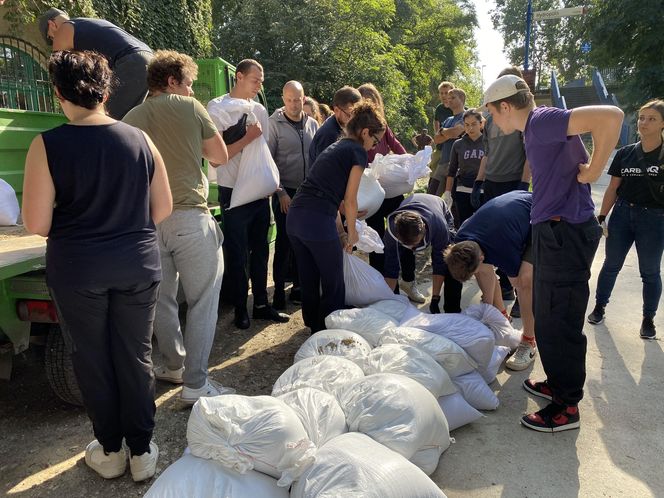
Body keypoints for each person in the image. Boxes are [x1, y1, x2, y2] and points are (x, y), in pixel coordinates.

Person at [22, 50, 172, 481]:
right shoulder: (141, 140)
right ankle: (142, 452)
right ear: (107, 92)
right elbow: (161, 208)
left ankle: (109, 451)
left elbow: (37, 223)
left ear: (57, 93)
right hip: (137, 264)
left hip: (78, 268)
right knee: (136, 355)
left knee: (92, 358)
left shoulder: (46, 145)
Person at [483, 74, 623, 432]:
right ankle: (558, 384)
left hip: (566, 232)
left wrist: (593, 170)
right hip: (553, 230)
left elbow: (611, 117)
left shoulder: (541, 120)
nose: (493, 123)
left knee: (559, 320)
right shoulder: (536, 129)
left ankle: (566, 407)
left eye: (493, 115)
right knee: (547, 316)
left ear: (505, 106)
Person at [123, 50, 234, 404]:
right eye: (187, 83)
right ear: (172, 80)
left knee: (163, 299)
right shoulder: (191, 107)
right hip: (190, 217)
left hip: (149, 221)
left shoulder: (131, 118)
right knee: (203, 301)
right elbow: (219, 156)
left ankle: (172, 365)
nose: (190, 89)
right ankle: (196, 384)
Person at [287, 101, 386, 332]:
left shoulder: (337, 146)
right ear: (364, 132)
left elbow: (332, 195)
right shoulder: (357, 152)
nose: (374, 146)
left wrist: (341, 229)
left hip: (296, 217)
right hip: (317, 221)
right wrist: (351, 234)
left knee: (309, 277)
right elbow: (350, 200)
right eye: (375, 140)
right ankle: (332, 333)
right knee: (334, 282)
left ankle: (314, 328)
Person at [207, 59, 289, 329]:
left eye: (261, 81)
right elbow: (217, 160)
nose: (259, 86)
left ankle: (262, 305)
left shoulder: (259, 110)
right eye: (255, 80)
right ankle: (241, 308)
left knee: (261, 250)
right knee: (238, 253)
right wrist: (247, 137)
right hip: (234, 192)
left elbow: (263, 153)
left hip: (259, 192)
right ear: (239, 77)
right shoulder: (217, 108)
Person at [587, 99, 664, 339]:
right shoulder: (626, 153)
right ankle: (600, 307)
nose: (644, 123)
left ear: (662, 124)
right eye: (642, 117)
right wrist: (601, 216)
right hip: (622, 214)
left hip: (654, 218)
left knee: (650, 272)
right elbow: (612, 188)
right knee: (611, 265)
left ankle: (648, 319)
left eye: (652, 119)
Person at [444, 191, 537, 371]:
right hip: (508, 212)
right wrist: (491, 312)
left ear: (482, 257)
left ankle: (529, 341)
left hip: (539, 216)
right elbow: (485, 272)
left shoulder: (504, 249)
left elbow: (517, 284)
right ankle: (503, 315)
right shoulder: (462, 238)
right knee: (484, 272)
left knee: (525, 282)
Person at [473, 66, 531, 315]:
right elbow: (487, 154)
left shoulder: (521, 120)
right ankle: (504, 288)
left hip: (513, 182)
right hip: (492, 182)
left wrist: (523, 184)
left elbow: (530, 154)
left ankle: (521, 295)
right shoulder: (490, 122)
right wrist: (478, 181)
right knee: (494, 238)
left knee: (516, 241)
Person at [357, 83, 422, 302]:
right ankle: (384, 290)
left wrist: (410, 165)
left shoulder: (384, 128)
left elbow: (399, 149)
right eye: (362, 100)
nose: (368, 105)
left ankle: (409, 281)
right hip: (372, 196)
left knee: (405, 234)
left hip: (392, 193)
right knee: (377, 242)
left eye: (371, 100)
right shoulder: (356, 131)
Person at [39, 8, 153, 119]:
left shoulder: (63, 30)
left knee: (101, 120)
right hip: (149, 58)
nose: (54, 41)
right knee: (135, 121)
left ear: (52, 25)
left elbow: (59, 70)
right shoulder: (85, 24)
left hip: (131, 63)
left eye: (50, 38)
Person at [268, 81, 319, 309]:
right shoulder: (274, 124)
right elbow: (267, 162)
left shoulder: (313, 124)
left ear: (304, 98)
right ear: (283, 99)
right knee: (284, 243)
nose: (293, 104)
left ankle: (299, 288)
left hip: (306, 193)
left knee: (304, 241)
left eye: (297, 99)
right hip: (284, 192)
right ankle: (278, 292)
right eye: (289, 99)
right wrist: (279, 193)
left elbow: (317, 159)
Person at [383, 193, 462, 313]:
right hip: (412, 204)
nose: (412, 248)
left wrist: (435, 298)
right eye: (408, 244)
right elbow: (391, 267)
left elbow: (439, 262)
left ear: (424, 228)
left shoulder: (439, 226)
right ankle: (402, 288)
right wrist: (388, 302)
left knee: (450, 260)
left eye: (415, 243)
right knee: (398, 257)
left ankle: (452, 309)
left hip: (438, 207)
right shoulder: (392, 232)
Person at [444, 108, 485, 226]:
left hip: (482, 190)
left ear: (481, 124)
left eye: (474, 124)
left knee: (481, 224)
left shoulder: (488, 142)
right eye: (467, 125)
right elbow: (451, 170)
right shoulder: (458, 144)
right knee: (463, 223)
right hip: (462, 190)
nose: (470, 128)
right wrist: (447, 192)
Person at [428, 88, 466, 197]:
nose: (449, 100)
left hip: (459, 166)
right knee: (432, 195)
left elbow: (456, 132)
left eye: (453, 98)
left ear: (462, 99)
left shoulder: (467, 116)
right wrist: (449, 133)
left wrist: (443, 131)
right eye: (448, 98)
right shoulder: (448, 120)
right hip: (442, 163)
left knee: (453, 201)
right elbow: (436, 139)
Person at [308, 86, 362, 163]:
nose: (355, 119)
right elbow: (323, 169)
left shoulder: (342, 125)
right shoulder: (328, 134)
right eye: (350, 114)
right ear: (336, 110)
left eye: (357, 114)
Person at [429, 81, 455, 171]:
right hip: (440, 145)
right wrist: (437, 134)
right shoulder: (439, 108)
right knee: (434, 168)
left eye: (446, 93)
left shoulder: (457, 107)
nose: (444, 95)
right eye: (441, 93)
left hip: (453, 147)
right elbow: (436, 121)